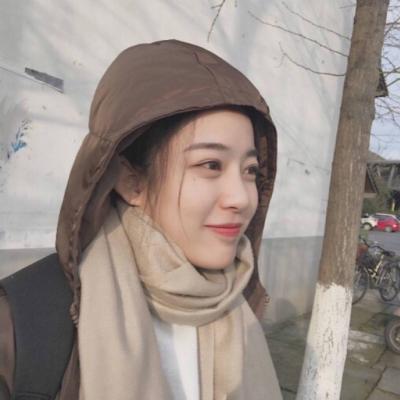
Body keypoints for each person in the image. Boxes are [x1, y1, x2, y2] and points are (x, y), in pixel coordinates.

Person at [0, 40, 282, 400]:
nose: (241, 198)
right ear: (131, 181)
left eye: (250, 170)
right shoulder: (20, 326)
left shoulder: (237, 307)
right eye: (211, 165)